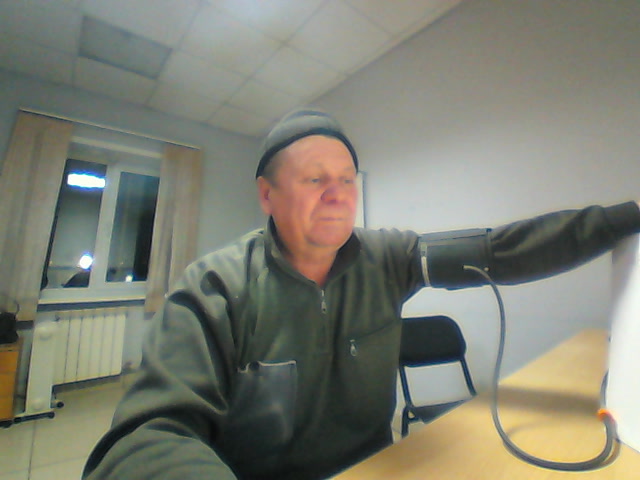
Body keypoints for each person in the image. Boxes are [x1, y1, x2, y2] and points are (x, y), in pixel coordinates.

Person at [83, 109, 640, 480]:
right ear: (267, 195)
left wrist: (627, 218)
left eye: (347, 178)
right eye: (314, 179)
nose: (338, 195)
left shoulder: (388, 257)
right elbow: (146, 438)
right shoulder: (214, 289)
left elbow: (499, 251)